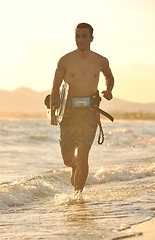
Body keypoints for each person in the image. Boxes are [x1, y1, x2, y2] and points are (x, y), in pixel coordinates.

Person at [50, 23, 114, 193]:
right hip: (68, 112)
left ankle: (78, 197)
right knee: (67, 158)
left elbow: (109, 76)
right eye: (77, 36)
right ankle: (74, 165)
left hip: (89, 111)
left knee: (84, 153)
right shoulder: (65, 60)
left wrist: (108, 90)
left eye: (84, 36)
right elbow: (55, 87)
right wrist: (53, 114)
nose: (80, 40)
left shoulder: (100, 60)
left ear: (91, 38)